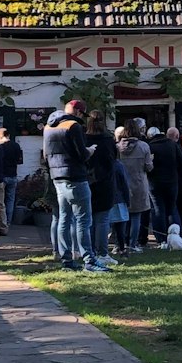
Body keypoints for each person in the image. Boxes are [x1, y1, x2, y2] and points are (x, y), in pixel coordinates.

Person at [43, 100, 96, 272]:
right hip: (75, 176)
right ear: (79, 112)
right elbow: (81, 154)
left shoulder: (48, 127)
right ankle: (89, 260)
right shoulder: (73, 126)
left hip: (57, 177)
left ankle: (66, 260)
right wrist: (91, 151)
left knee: (64, 218)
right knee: (83, 220)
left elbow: (45, 154)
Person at [85, 111, 121, 264]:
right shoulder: (108, 140)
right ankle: (103, 253)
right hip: (105, 182)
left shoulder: (84, 138)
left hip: (87, 181)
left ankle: (89, 251)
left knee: (89, 219)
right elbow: (113, 161)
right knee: (103, 219)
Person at [118, 120, 155, 250]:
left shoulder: (118, 147)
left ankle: (121, 243)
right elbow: (148, 167)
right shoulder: (144, 146)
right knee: (136, 216)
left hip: (122, 185)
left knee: (122, 217)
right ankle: (133, 244)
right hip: (139, 183)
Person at [147, 127, 182, 248]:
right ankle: (177, 236)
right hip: (171, 182)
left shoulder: (150, 146)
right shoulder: (172, 144)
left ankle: (161, 239)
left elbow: (148, 165)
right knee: (172, 208)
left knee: (158, 209)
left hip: (154, 183)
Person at [0, 124, 24, 227]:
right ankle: (8, 221)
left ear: (0, 136)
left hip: (2, 175)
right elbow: (19, 160)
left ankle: (1, 221)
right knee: (10, 199)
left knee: (0, 200)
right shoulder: (16, 145)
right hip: (13, 174)